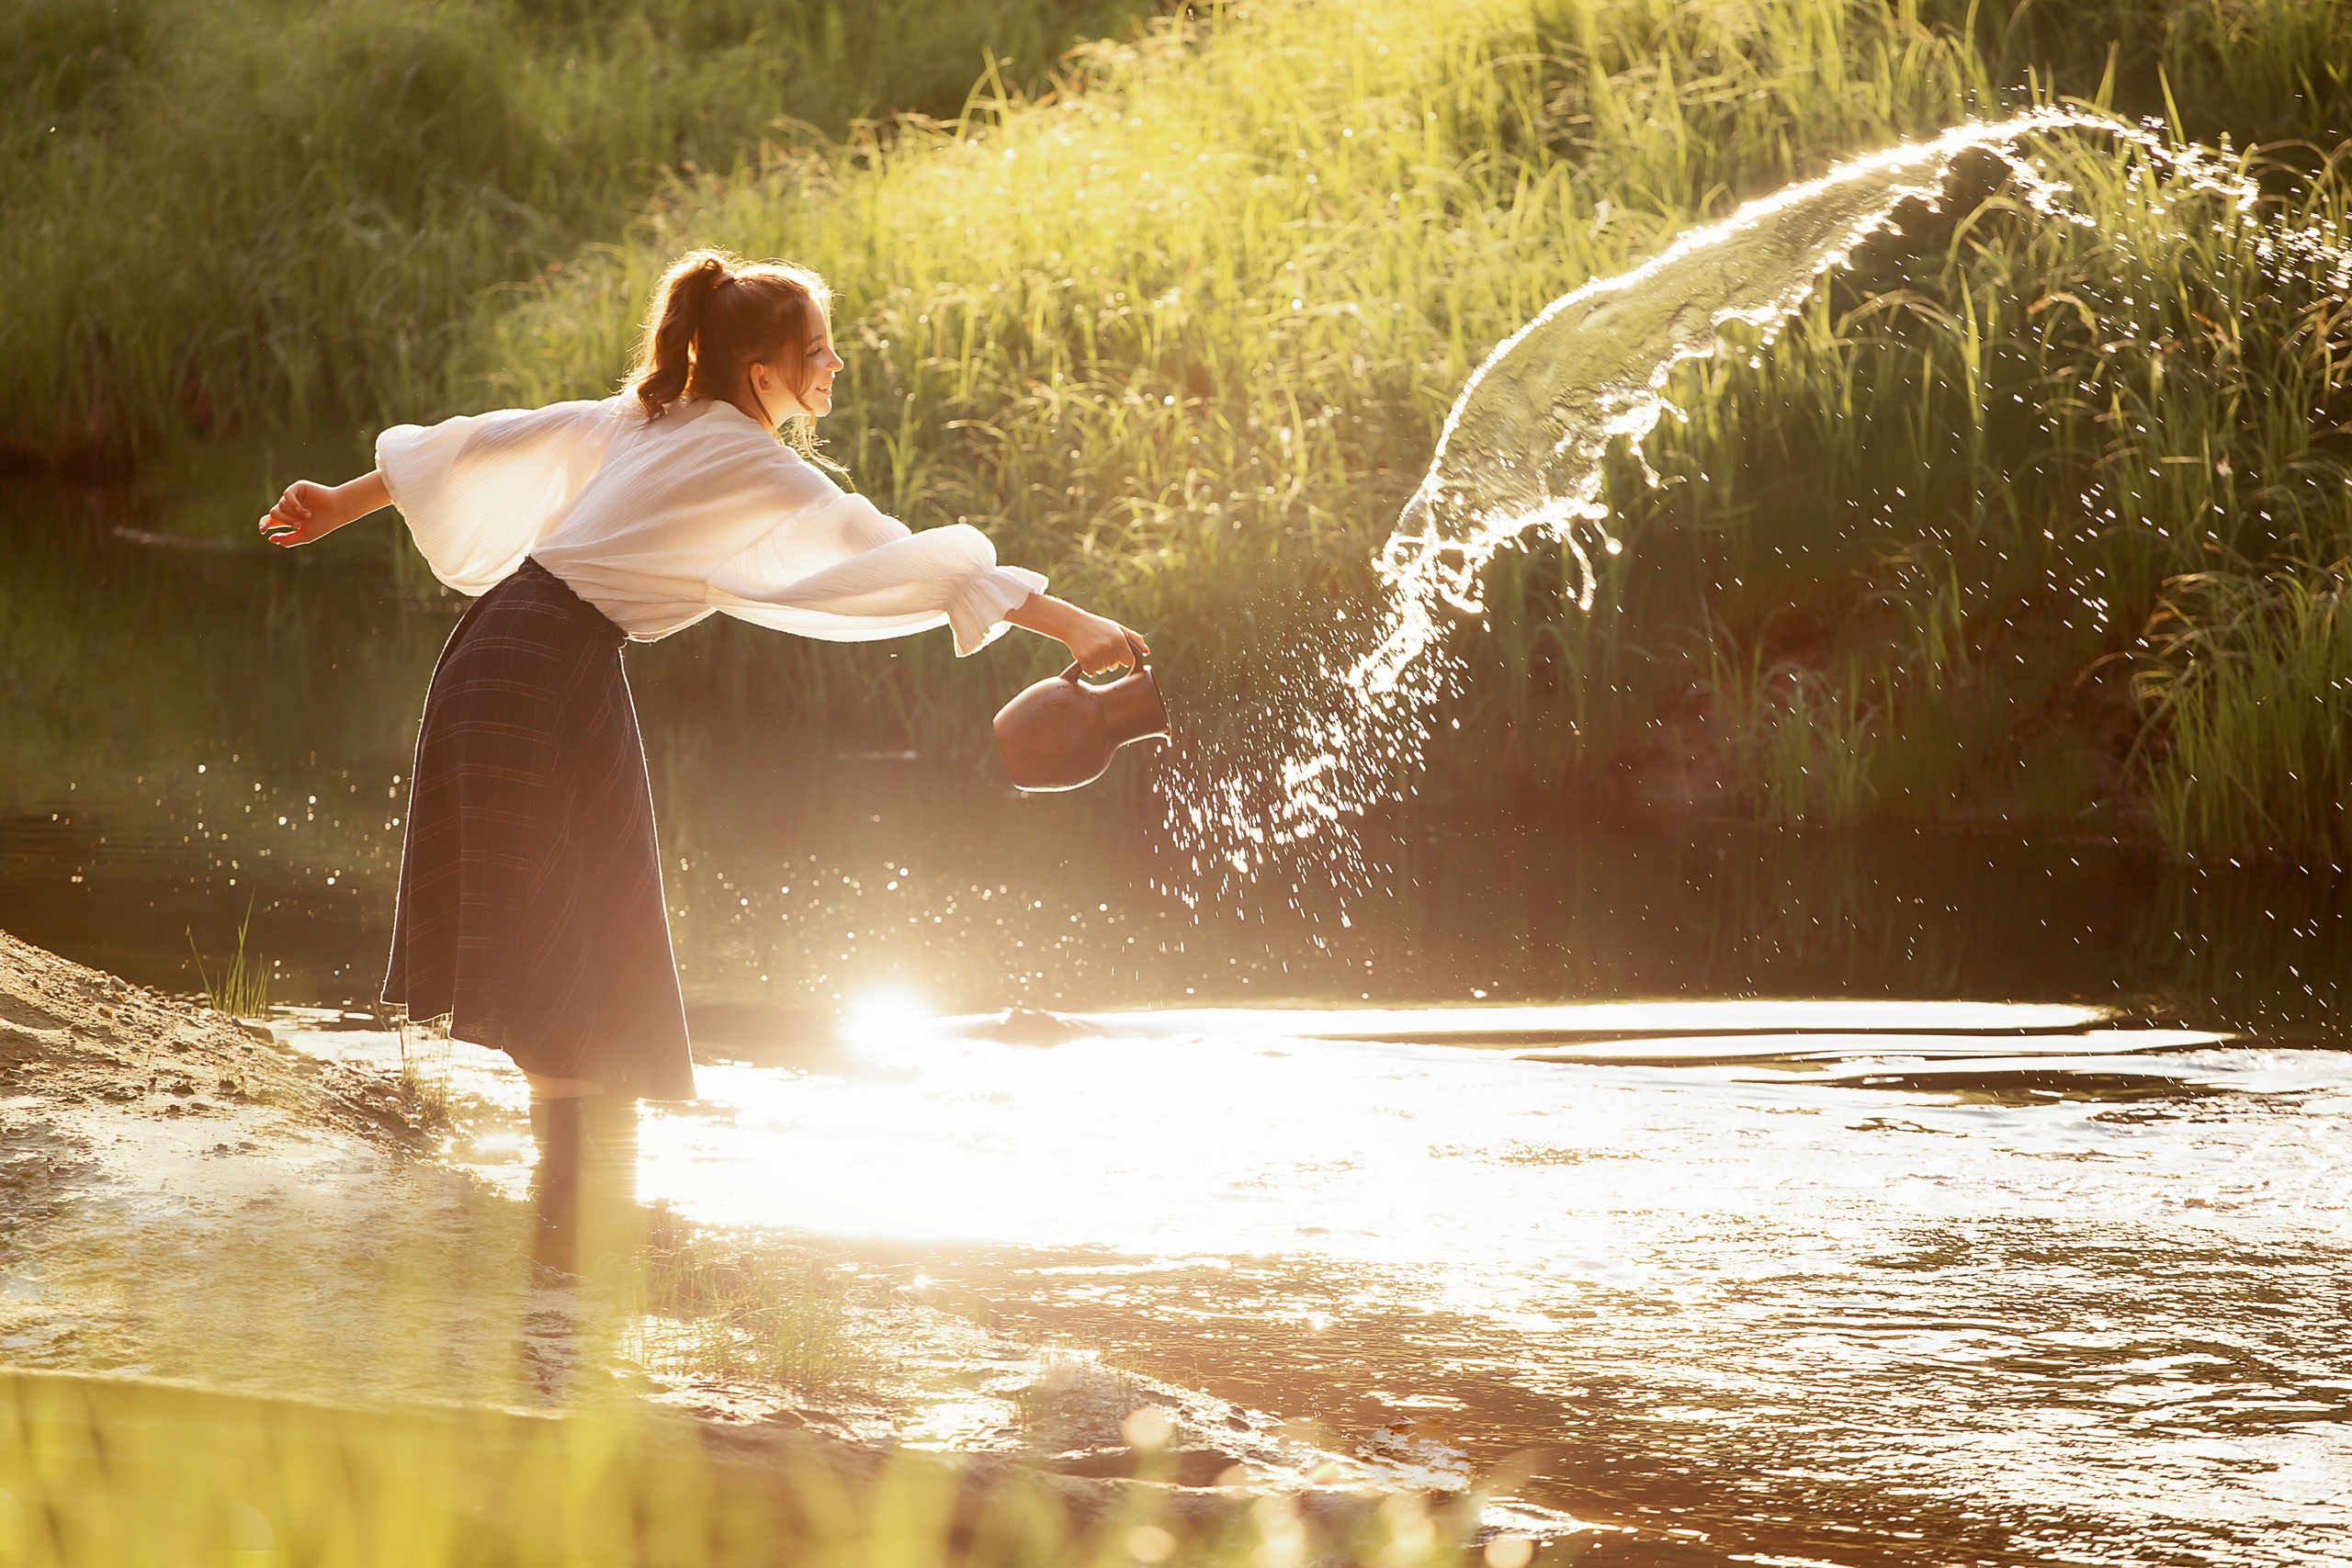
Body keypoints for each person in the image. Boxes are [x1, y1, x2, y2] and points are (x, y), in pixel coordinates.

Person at [260, 249, 1146, 1271]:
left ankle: (579, 1217)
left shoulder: (649, 418)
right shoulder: (742, 456)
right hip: (539, 664)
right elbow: (913, 555)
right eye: (818, 352)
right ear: (762, 370)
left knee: (601, 916)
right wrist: (1076, 626)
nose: (836, 365)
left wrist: (341, 499)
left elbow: (480, 442)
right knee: (568, 924)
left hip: (531, 654)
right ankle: (571, 1228)